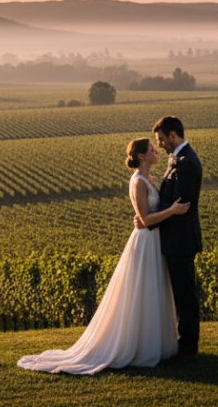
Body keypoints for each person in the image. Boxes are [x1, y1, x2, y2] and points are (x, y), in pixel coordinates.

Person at [17, 138, 189, 374]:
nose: (155, 151)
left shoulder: (149, 179)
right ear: (141, 156)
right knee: (142, 292)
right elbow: (146, 220)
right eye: (151, 149)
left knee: (152, 291)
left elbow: (148, 215)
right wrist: (172, 211)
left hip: (154, 241)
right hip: (146, 241)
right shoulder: (138, 181)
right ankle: (137, 346)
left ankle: (152, 344)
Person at [137, 115, 203, 360]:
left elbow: (181, 205)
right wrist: (147, 215)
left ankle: (188, 347)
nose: (161, 145)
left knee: (185, 294)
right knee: (179, 292)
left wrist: (152, 217)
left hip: (181, 239)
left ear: (173, 136)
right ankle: (183, 341)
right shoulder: (178, 160)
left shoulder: (186, 163)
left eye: (162, 139)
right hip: (174, 239)